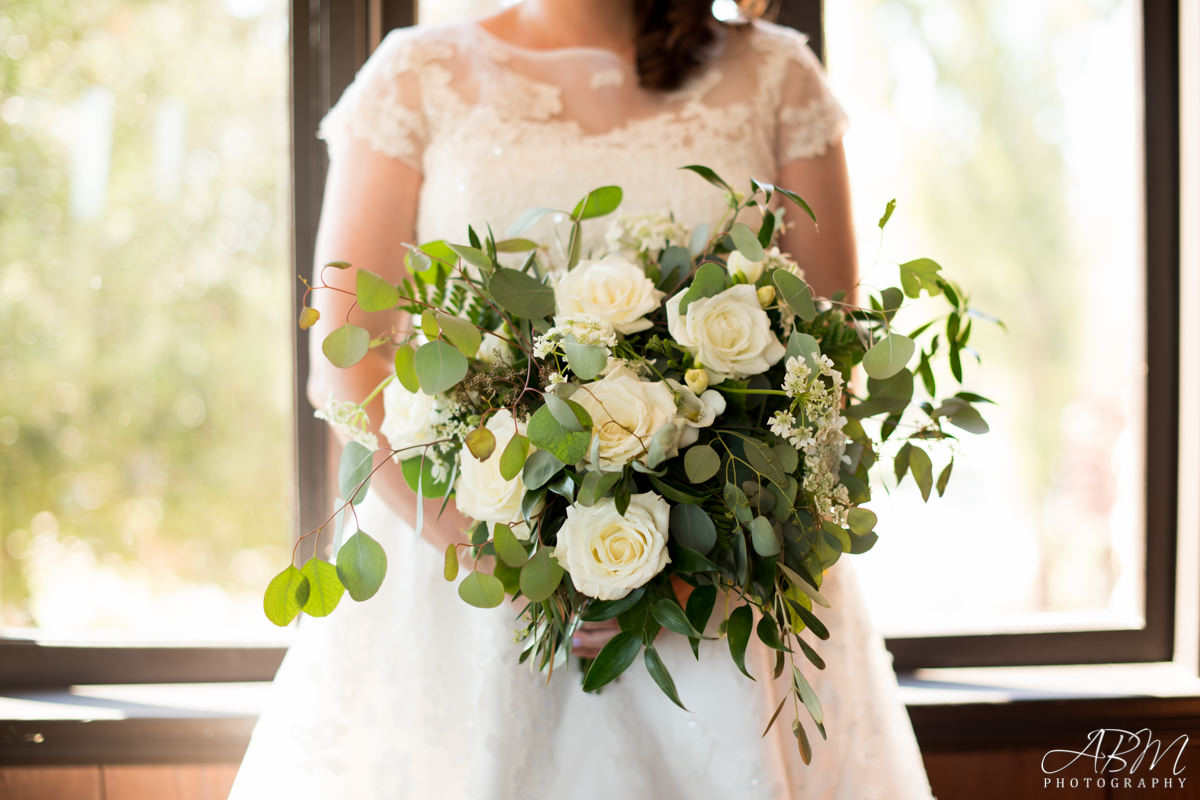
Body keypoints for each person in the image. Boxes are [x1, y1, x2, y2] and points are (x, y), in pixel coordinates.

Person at [230, 1, 935, 797]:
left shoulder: (776, 75)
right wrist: (492, 555)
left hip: (723, 591)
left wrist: (699, 563)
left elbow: (831, 357)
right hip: (465, 583)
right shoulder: (414, 77)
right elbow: (347, 367)